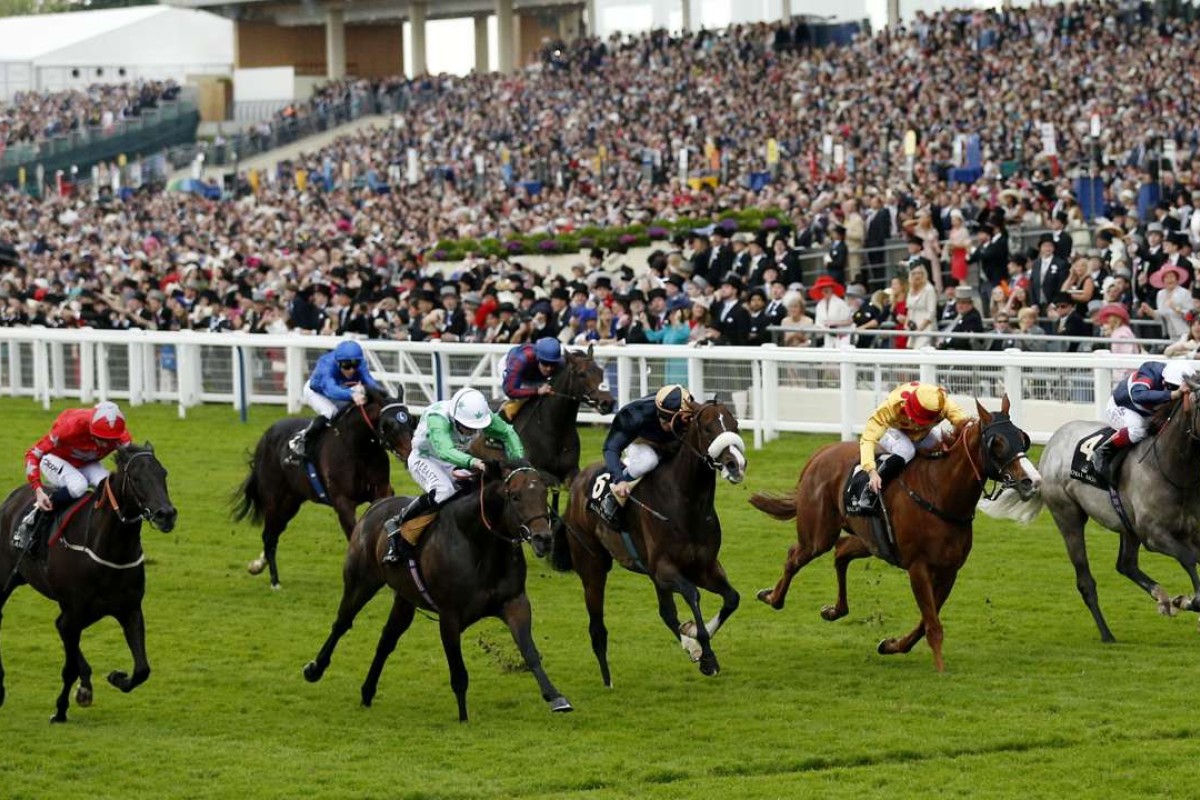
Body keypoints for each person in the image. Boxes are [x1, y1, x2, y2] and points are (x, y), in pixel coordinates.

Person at [382, 387, 524, 564]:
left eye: (476, 428)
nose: (473, 432)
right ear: (456, 418)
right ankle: (399, 522)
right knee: (444, 491)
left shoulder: (479, 415)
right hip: (424, 459)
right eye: (469, 428)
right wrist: (475, 462)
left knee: (477, 490)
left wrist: (519, 462)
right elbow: (445, 450)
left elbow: (508, 433)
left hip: (451, 461)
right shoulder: (438, 418)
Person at [14, 401, 133, 550]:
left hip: (87, 462)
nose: (104, 445)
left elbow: (132, 466)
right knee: (78, 486)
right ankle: (31, 519)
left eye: (109, 441)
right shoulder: (69, 427)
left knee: (110, 486)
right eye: (100, 439)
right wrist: (38, 489)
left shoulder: (122, 437)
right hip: (55, 459)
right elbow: (33, 453)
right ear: (91, 428)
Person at [857, 382, 970, 521]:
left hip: (923, 433)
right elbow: (868, 437)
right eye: (913, 415)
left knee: (942, 444)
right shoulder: (893, 404)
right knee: (907, 450)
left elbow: (965, 425)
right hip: (893, 430)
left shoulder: (943, 403)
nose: (912, 419)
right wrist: (871, 471)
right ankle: (870, 491)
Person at [594, 384, 695, 529]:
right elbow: (611, 448)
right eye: (663, 418)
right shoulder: (635, 414)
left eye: (671, 420)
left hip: (675, 443)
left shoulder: (691, 412)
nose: (666, 424)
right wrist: (619, 480)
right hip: (643, 442)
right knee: (649, 460)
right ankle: (612, 496)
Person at [1090, 360, 1197, 480]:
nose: (1176, 390)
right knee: (1138, 429)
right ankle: (1102, 452)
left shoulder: (1180, 379)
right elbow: (1138, 395)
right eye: (1172, 386)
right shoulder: (1149, 370)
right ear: (1163, 379)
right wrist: (1173, 394)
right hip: (1122, 408)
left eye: (1178, 388)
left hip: (1149, 413)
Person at [290, 339, 382, 461]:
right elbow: (330, 389)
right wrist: (351, 395)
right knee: (331, 412)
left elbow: (370, 382)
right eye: (346, 365)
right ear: (338, 362)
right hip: (317, 391)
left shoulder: (360, 364)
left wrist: (383, 396)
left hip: (340, 387)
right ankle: (302, 439)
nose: (351, 370)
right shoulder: (326, 365)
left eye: (355, 365)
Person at [500, 336, 564, 420]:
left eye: (553, 364)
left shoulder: (561, 363)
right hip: (513, 370)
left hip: (534, 373)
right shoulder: (520, 360)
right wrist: (537, 391)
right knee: (517, 402)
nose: (549, 368)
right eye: (545, 363)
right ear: (538, 358)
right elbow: (510, 390)